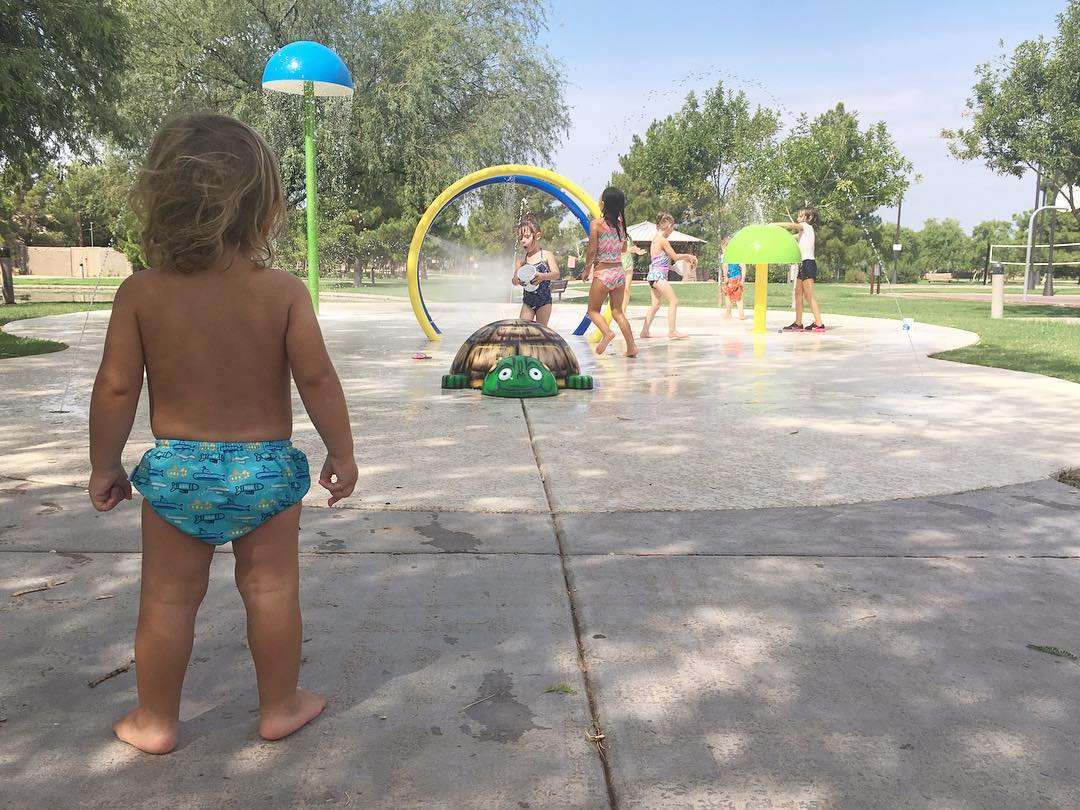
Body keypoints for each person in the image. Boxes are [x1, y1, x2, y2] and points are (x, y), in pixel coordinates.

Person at [88, 113, 357, 755]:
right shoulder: (284, 294)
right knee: (271, 591)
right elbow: (317, 379)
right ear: (265, 214)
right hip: (264, 472)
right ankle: (279, 706)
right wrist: (341, 452)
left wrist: (105, 465)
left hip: (179, 472)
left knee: (167, 600)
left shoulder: (140, 295)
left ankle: (155, 719)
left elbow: (117, 388)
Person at [581, 187, 636, 356]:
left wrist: (586, 269)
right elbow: (624, 248)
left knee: (592, 310)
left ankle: (607, 332)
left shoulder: (597, 224)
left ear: (603, 204)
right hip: (619, 272)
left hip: (603, 272)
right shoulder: (621, 226)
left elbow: (591, 251)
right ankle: (631, 347)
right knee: (618, 312)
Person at [640, 213, 697, 340]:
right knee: (674, 301)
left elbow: (659, 261)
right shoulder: (662, 240)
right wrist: (688, 256)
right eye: (672, 227)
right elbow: (675, 257)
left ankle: (644, 331)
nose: (672, 230)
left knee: (655, 305)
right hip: (659, 276)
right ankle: (672, 331)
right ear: (668, 225)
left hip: (653, 275)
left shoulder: (655, 239)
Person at [773, 208, 824, 332]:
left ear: (808, 218)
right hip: (803, 264)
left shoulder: (806, 226)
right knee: (798, 294)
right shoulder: (804, 232)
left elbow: (792, 226)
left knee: (808, 296)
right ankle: (798, 323)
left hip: (808, 264)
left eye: (801, 216)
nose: (798, 218)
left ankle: (819, 324)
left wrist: (776, 225)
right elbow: (791, 237)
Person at [511, 216, 560, 325]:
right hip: (528, 302)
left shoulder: (546, 255)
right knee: (522, 330)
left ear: (537, 236)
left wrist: (542, 276)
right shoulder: (521, 260)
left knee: (540, 332)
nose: (523, 240)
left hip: (544, 302)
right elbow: (514, 281)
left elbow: (556, 274)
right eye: (520, 238)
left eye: (527, 237)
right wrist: (518, 279)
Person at [718, 236, 745, 320]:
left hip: (730, 279)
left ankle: (728, 313)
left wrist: (725, 277)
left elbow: (725, 267)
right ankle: (741, 314)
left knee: (728, 295)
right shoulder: (738, 255)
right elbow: (743, 266)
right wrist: (743, 279)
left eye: (723, 248)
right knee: (738, 296)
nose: (723, 250)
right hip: (738, 278)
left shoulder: (725, 256)